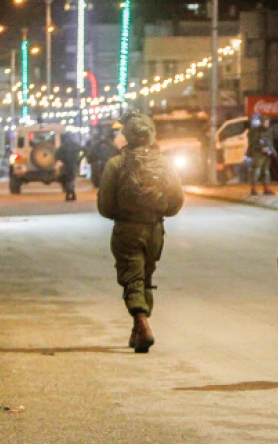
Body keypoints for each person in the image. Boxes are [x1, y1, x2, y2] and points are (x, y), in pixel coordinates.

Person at [97, 112, 184, 353]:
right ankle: (137, 332)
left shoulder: (116, 164)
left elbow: (105, 206)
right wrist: (158, 213)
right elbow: (176, 200)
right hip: (154, 230)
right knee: (145, 277)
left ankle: (141, 322)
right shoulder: (164, 163)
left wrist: (124, 216)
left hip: (127, 230)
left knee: (131, 278)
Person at [247, 115, 276, 196]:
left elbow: (270, 141)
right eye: (266, 122)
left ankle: (266, 189)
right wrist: (261, 148)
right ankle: (253, 189)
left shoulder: (269, 131)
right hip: (258, 154)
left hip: (267, 153)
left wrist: (270, 149)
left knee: (266, 171)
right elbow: (252, 143)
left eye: (268, 122)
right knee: (256, 170)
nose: (267, 123)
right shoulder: (255, 131)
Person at [55, 133, 83, 201]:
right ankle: (72, 193)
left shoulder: (63, 146)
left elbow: (56, 155)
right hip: (73, 165)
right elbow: (84, 150)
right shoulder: (75, 145)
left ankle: (69, 194)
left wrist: (62, 159)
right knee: (71, 179)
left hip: (66, 165)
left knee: (67, 179)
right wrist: (79, 159)